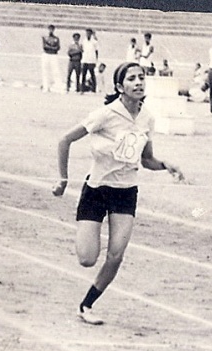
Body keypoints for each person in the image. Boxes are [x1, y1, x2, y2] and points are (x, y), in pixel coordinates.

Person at [53, 62, 185, 325]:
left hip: (125, 193)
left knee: (116, 255)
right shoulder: (105, 114)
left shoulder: (147, 118)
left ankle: (86, 305)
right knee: (87, 258)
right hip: (97, 190)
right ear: (119, 87)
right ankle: (85, 230)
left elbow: (146, 159)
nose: (138, 82)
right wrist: (63, 179)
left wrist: (166, 165)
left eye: (141, 77)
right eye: (131, 79)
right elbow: (64, 140)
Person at [41, 24, 61, 93]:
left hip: (53, 55)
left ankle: (57, 87)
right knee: (45, 71)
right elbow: (45, 46)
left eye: (52, 29)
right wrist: (52, 47)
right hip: (46, 54)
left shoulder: (56, 38)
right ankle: (45, 87)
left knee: (55, 71)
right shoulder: (45, 37)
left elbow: (58, 47)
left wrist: (51, 47)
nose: (51, 30)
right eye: (50, 29)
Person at [80, 28, 98, 93]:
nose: (88, 34)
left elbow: (96, 51)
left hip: (91, 60)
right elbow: (82, 49)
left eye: (89, 33)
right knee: (83, 74)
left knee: (92, 74)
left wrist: (95, 60)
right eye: (87, 33)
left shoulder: (94, 41)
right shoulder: (84, 41)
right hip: (85, 60)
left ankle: (94, 89)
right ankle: (82, 89)